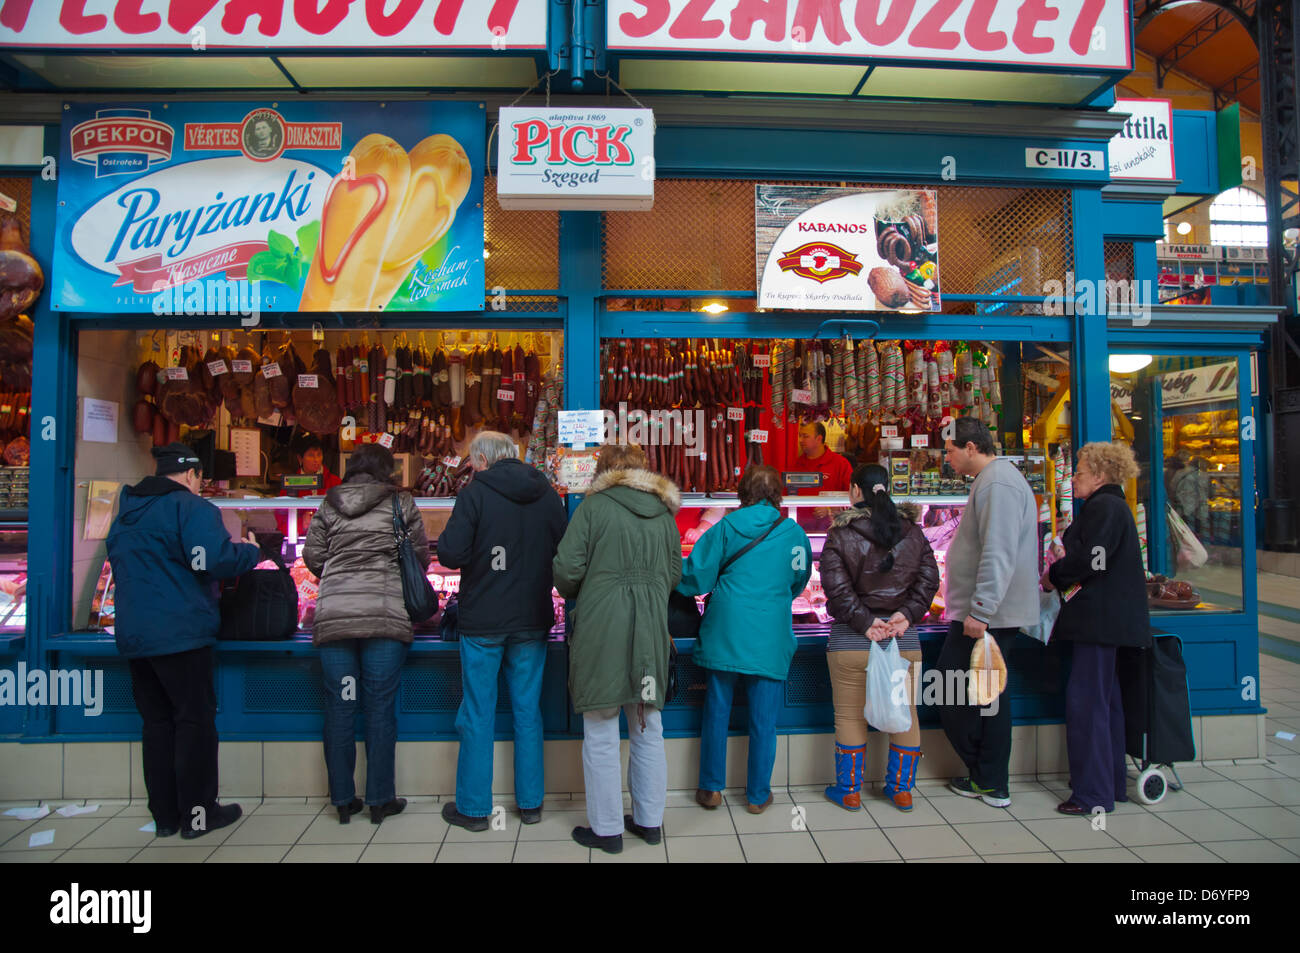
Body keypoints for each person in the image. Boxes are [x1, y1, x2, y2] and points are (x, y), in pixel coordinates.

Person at [106, 443, 260, 839]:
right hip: (181, 634)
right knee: (193, 723)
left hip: (136, 635)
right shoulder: (192, 508)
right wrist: (249, 553)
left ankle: (166, 818)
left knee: (156, 725)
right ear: (192, 475)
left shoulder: (126, 511)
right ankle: (198, 817)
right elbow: (211, 560)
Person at [552, 443, 681, 854]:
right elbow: (675, 573)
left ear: (603, 472)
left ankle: (606, 830)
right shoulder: (664, 513)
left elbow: (566, 572)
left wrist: (593, 587)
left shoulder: (592, 509)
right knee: (648, 726)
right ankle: (649, 821)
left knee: (602, 730)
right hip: (650, 631)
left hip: (601, 630)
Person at [436, 431, 567, 831]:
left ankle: (475, 810)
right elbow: (564, 549)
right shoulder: (546, 494)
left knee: (478, 712)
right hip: (531, 617)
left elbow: (450, 553)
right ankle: (530, 805)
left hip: (484, 621)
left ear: (482, 459)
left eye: (473, 460)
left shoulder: (475, 494)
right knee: (528, 712)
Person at [302, 442, 429, 825]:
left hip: (337, 619)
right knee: (378, 707)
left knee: (341, 707)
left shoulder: (329, 504)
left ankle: (342, 801)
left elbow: (312, 557)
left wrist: (340, 574)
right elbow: (420, 556)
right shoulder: (399, 503)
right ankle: (379, 800)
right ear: (387, 471)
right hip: (384, 617)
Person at [676, 465, 811, 814]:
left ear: (743, 493)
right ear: (777, 494)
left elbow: (696, 578)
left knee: (716, 710)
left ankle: (710, 789)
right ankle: (756, 795)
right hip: (771, 634)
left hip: (726, 630)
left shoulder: (726, 527)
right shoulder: (793, 533)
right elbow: (799, 580)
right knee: (764, 719)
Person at [820, 463, 939, 812]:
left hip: (851, 642)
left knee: (849, 716)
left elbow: (835, 588)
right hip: (902, 640)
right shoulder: (913, 532)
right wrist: (906, 614)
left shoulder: (840, 534)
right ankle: (901, 790)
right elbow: (929, 577)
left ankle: (850, 791)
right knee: (906, 714)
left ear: (856, 491)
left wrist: (865, 621)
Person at [1043, 442, 1151, 815]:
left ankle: (1092, 795)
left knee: (1087, 705)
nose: (1074, 477)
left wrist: (1056, 573)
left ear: (1100, 475)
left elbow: (1095, 559)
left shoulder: (1104, 507)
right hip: (1110, 622)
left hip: (1098, 622)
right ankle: (1111, 784)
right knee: (1107, 704)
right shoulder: (1114, 507)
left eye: (1080, 471)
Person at [937, 417, 1039, 809]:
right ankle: (987, 777)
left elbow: (998, 552)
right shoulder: (993, 480)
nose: (947, 458)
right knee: (984, 696)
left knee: (959, 690)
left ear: (972, 448)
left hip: (987, 617)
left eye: (950, 450)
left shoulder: (997, 482)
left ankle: (991, 778)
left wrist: (980, 610)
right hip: (984, 613)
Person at [790, 420, 854, 495]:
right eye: (800, 436)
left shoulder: (841, 464)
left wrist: (831, 507)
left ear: (819, 439)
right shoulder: (796, 464)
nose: (800, 440)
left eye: (805, 436)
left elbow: (851, 497)